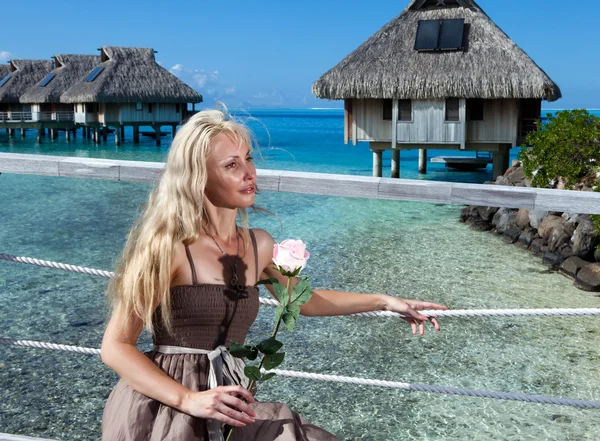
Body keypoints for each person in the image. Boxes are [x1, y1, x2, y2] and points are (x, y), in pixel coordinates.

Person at [100, 109, 449, 441]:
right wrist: (188, 400)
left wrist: (385, 301)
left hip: (231, 400)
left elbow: (306, 300)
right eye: (231, 165)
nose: (249, 173)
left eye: (248, 159)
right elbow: (115, 346)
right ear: (198, 176)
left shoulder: (259, 244)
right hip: (168, 405)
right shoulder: (168, 247)